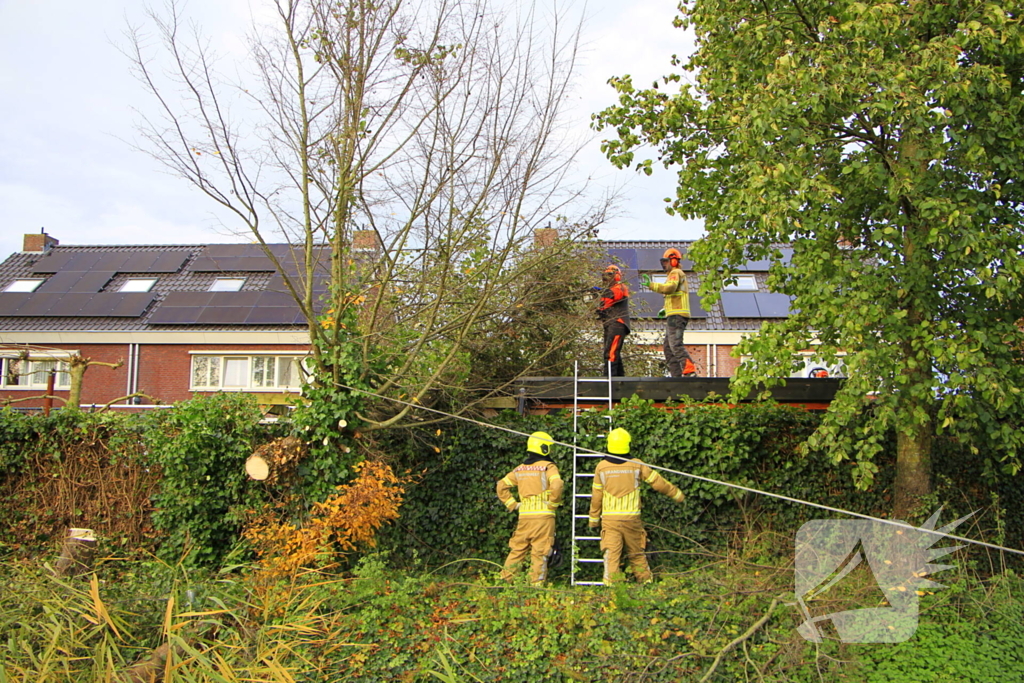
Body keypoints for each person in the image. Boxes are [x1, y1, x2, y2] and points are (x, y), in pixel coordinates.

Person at [588, 427, 684, 584]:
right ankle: (646, 584)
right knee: (637, 553)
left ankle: (612, 589)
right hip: (632, 519)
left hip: (610, 520)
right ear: (628, 444)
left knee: (612, 555)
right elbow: (657, 482)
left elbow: (596, 496)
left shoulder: (601, 467)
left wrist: (593, 519)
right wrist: (676, 494)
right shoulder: (636, 464)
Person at [497, 431, 564, 584]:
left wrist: (512, 504)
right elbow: (557, 484)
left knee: (518, 549)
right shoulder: (548, 467)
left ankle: (504, 581)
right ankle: (535, 587)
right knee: (540, 552)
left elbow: (501, 486)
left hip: (525, 517)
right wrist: (553, 503)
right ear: (544, 448)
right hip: (544, 518)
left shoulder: (519, 469)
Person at [642, 248, 697, 377]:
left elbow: (670, 288)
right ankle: (676, 375)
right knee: (668, 347)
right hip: (674, 313)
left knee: (675, 344)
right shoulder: (674, 274)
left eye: (666, 261)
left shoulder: (676, 272)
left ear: (673, 261)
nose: (664, 265)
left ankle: (690, 370)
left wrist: (651, 285)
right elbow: (675, 295)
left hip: (677, 314)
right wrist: (665, 309)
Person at [596, 264, 631, 377]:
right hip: (609, 324)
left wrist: (601, 291)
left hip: (618, 323)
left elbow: (615, 295)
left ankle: (609, 379)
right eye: (605, 275)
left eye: (609, 275)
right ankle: (620, 380)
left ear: (616, 276)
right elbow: (601, 309)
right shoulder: (605, 294)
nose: (606, 278)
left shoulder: (620, 287)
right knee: (613, 351)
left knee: (611, 352)